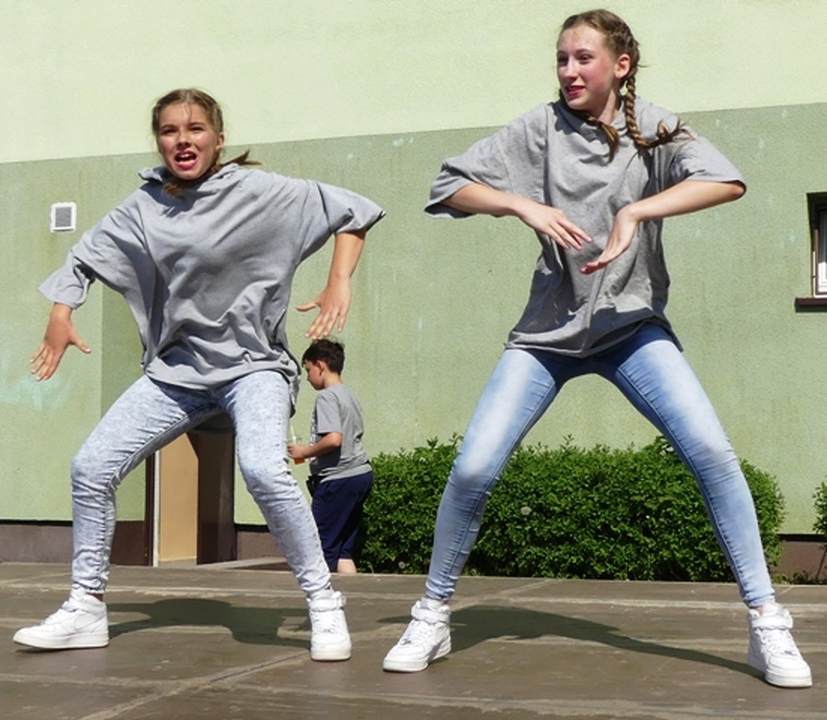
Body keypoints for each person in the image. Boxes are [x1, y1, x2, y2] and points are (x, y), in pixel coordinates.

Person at [382, 9, 812, 689]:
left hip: (629, 328)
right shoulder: (539, 129)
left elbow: (726, 181)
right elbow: (448, 186)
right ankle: (431, 615)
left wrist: (636, 210)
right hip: (546, 338)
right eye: (561, 58)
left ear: (620, 65)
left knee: (712, 453)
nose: (569, 71)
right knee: (472, 467)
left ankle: (767, 623)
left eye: (583, 58)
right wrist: (519, 205)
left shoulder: (656, 128)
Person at [14, 88, 384, 662]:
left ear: (218, 138)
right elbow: (84, 256)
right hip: (179, 372)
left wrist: (339, 279)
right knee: (91, 468)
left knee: (263, 468)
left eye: (194, 129)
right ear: (158, 141)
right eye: (169, 131)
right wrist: (61, 312)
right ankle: (85, 606)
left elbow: (353, 210)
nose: (182, 141)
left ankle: (323, 602)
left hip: (252, 366)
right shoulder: (145, 207)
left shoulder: (261, 192)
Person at [288, 339, 373, 575]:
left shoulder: (326, 397)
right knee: (344, 551)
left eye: (308, 370)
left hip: (338, 480)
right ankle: (354, 594)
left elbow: (334, 439)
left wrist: (304, 452)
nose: (307, 378)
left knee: (318, 549)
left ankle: (320, 596)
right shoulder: (349, 395)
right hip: (361, 474)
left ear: (320, 365)